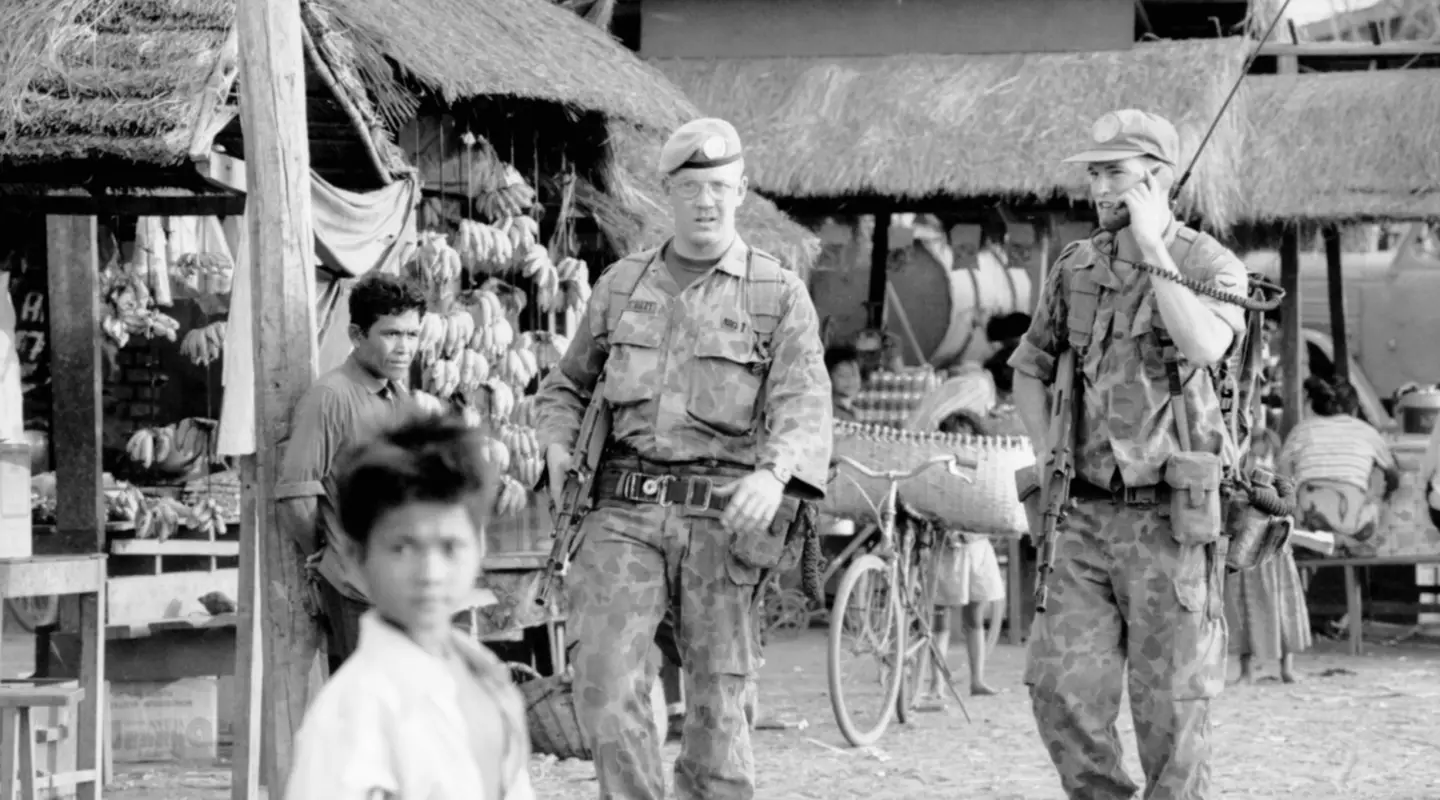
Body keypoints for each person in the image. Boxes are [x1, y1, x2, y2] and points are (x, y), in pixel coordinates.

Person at [534, 117, 832, 800]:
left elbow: (805, 400)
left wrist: (775, 470)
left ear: (742, 190)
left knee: (717, 707)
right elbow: (568, 384)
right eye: (692, 187)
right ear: (665, 190)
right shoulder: (619, 286)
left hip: (725, 519)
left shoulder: (776, 293)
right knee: (605, 687)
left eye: (720, 187)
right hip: (622, 512)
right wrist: (555, 439)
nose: (706, 201)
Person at [1009, 109, 1248, 799]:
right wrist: (1048, 449)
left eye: (1114, 171)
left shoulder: (1209, 263)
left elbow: (1205, 345)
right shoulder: (1075, 267)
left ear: (1158, 178)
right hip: (1080, 517)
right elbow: (1031, 363)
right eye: (1094, 172)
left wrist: (1153, 247)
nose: (1098, 186)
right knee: (1058, 694)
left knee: (1172, 718)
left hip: (1170, 525)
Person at [284, 414, 533, 800]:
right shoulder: (350, 714)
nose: (430, 572)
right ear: (356, 557)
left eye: (450, 547)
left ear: (479, 547)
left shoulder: (489, 682)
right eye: (402, 548)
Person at [275, 272, 427, 673]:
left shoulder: (401, 400)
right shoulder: (331, 397)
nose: (404, 347)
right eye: (392, 334)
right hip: (356, 590)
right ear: (358, 335)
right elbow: (295, 495)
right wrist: (320, 555)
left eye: (412, 335)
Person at [1225, 426, 1311, 684]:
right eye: (1255, 455)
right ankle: (1246, 669)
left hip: (1276, 554)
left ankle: (1286, 667)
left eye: (1266, 455)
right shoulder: (1237, 482)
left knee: (1283, 608)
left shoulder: (1282, 483)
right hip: (1246, 555)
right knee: (1244, 610)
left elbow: (1285, 508)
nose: (1261, 462)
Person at [1280, 376, 1399, 559]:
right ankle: (1360, 546)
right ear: (1354, 408)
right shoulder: (1367, 432)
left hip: (1307, 524)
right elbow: (1392, 476)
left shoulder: (1301, 430)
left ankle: (1314, 549)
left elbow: (1282, 475)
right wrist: (1381, 496)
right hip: (1357, 526)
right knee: (1381, 499)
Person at [826, 344, 863, 422]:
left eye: (854, 374)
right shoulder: (830, 413)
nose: (850, 380)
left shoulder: (853, 412)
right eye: (842, 375)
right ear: (829, 376)